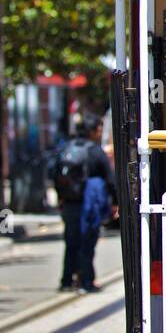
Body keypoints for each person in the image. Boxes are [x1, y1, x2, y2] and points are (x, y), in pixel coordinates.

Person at [52, 113, 117, 292]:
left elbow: (55, 175)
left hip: (70, 203)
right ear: (92, 131)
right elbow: (110, 179)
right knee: (87, 242)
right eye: (99, 129)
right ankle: (86, 281)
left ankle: (66, 280)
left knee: (71, 242)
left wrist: (61, 197)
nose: (100, 132)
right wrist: (116, 202)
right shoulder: (95, 152)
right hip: (89, 205)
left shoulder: (67, 148)